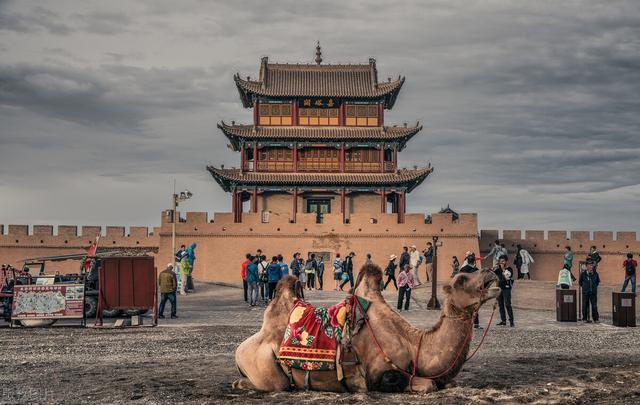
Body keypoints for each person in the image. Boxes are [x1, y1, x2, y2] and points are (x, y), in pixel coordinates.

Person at [460, 252, 482, 329]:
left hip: (465, 291)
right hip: (474, 291)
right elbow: (479, 281)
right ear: (474, 261)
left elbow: (460, 281)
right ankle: (476, 323)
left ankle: (465, 323)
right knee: (475, 308)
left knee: (465, 307)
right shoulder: (476, 270)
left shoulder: (463, 269)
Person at [494, 255, 514, 327]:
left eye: (503, 261)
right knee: (500, 305)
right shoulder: (498, 269)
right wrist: (494, 268)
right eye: (500, 261)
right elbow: (493, 273)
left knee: (507, 304)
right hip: (499, 288)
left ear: (506, 261)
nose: (501, 263)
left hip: (506, 288)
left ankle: (511, 321)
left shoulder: (509, 269)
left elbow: (507, 277)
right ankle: (503, 321)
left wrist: (503, 269)